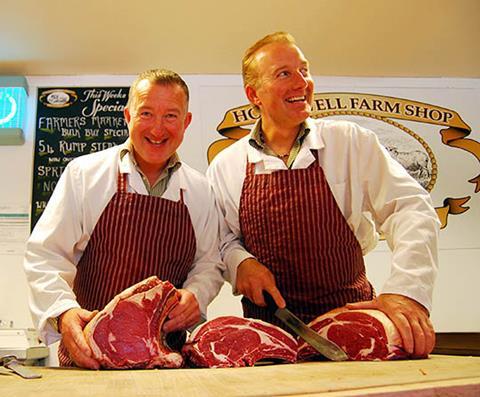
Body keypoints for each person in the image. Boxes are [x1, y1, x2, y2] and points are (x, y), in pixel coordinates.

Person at [207, 32, 440, 358]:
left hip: (351, 325)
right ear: (254, 94)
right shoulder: (226, 165)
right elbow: (222, 238)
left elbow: (410, 208)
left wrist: (406, 291)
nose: (301, 82)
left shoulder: (351, 142)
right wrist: (240, 262)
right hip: (268, 337)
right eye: (284, 73)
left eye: (304, 70)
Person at [24, 69, 225, 369]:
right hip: (91, 356)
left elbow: (209, 262)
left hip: (166, 360)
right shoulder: (84, 175)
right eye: (146, 113)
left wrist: (196, 294)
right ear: (128, 116)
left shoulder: (200, 189)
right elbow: (46, 256)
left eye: (171, 116)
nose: (158, 129)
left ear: (186, 122)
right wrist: (63, 312)